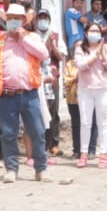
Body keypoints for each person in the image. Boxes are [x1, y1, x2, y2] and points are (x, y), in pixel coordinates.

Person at [0, 4, 48, 183]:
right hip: (7, 95)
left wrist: (22, 38)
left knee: (37, 132)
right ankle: (11, 169)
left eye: (18, 18)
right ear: (6, 20)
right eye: (11, 17)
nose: (14, 21)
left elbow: (43, 54)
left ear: (23, 20)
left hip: (29, 94)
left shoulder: (33, 37)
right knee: (8, 133)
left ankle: (41, 169)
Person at [72, 24, 107, 168]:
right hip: (85, 89)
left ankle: (103, 154)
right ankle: (83, 153)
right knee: (85, 122)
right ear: (85, 33)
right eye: (92, 31)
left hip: (104, 89)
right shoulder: (80, 48)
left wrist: (101, 54)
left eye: (97, 31)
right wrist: (95, 54)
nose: (95, 33)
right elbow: (81, 65)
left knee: (102, 122)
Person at [36, 10, 65, 156]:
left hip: (53, 79)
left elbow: (60, 57)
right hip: (37, 78)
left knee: (53, 111)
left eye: (45, 18)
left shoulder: (55, 36)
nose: (42, 20)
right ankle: (42, 144)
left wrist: (52, 44)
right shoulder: (33, 36)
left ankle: (53, 143)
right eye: (40, 18)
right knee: (40, 111)